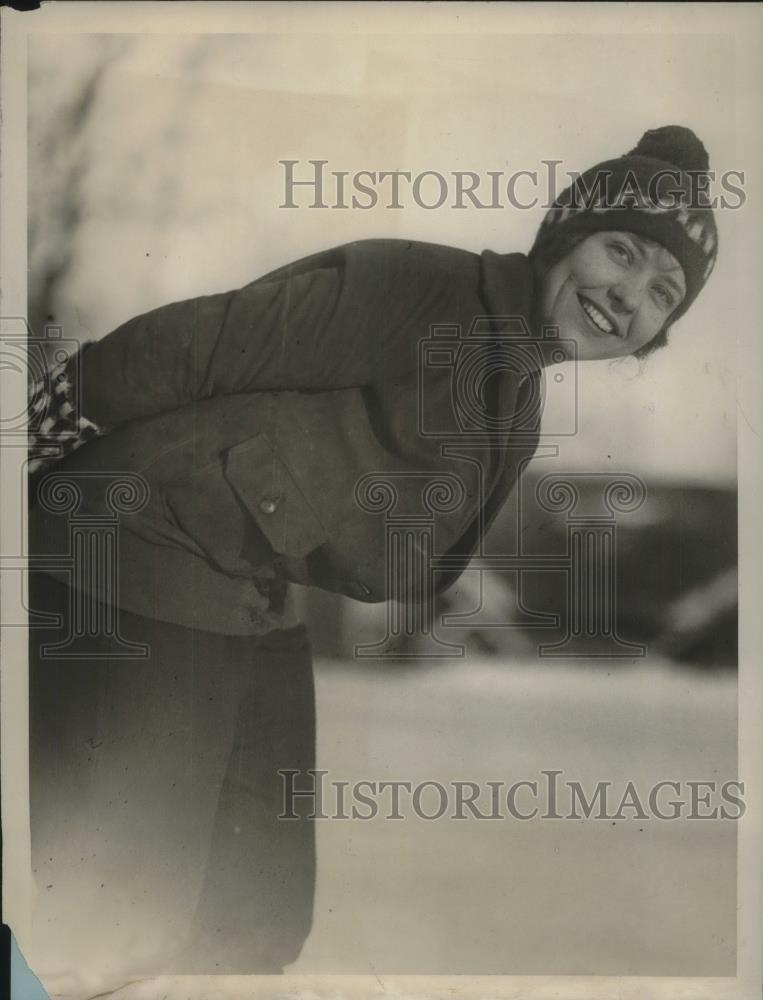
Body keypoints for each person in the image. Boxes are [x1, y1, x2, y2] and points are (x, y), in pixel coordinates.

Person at [26, 125, 717, 985]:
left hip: (250, 591)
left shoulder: (519, 391)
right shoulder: (425, 288)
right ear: (567, 235)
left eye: (662, 292)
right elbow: (188, 345)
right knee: (113, 904)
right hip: (132, 552)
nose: (628, 296)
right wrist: (28, 452)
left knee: (254, 916)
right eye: (621, 252)